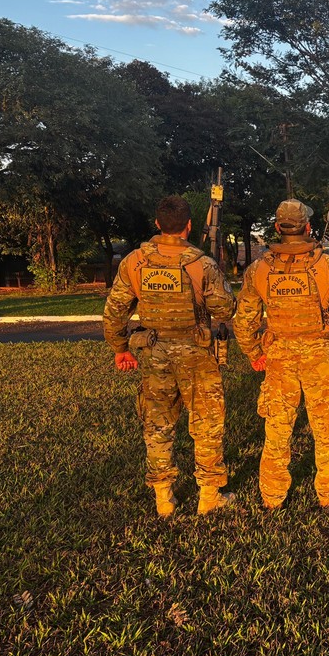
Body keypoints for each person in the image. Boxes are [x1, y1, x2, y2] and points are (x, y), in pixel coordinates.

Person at [103, 195, 237, 517]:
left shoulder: (134, 262)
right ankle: (208, 496)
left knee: (158, 424)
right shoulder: (201, 263)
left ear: (158, 224)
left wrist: (121, 348)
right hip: (197, 355)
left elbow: (114, 313)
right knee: (206, 423)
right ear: (188, 226)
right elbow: (225, 309)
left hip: (154, 354)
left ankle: (164, 498)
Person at [234, 199, 329, 510]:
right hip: (318, 354)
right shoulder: (327, 266)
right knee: (326, 430)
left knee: (277, 432)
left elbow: (244, 321)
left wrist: (254, 353)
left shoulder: (259, 269)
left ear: (278, 228)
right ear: (307, 228)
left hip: (278, 355)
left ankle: (272, 498)